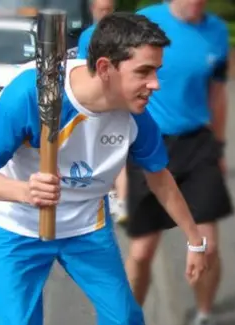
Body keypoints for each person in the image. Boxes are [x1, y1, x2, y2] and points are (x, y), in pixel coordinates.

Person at [0, 13, 210, 325]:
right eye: (144, 71)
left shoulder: (135, 115)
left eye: (156, 71)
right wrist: (24, 192)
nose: (155, 84)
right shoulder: (29, 95)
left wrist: (195, 240)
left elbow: (160, 177)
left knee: (124, 322)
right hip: (17, 227)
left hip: (85, 228)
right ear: (106, 67)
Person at [127, 0, 232, 325]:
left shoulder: (217, 30)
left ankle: (203, 320)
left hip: (198, 143)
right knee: (142, 251)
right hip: (149, 140)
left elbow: (217, 93)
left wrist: (218, 147)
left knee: (209, 244)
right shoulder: (145, 22)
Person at [76, 0, 130, 224]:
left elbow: (80, 69)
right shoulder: (92, 35)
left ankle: (118, 199)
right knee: (114, 147)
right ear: (93, 10)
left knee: (110, 146)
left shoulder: (108, 34)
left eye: (108, 10)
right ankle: (119, 199)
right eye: (102, 10)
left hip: (108, 98)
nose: (105, 14)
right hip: (104, 98)